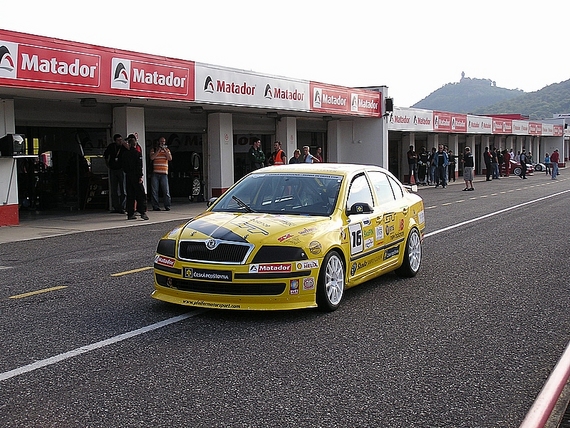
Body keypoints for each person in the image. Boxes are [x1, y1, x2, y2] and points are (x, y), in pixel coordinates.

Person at [122, 134, 149, 220]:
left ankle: (130, 213)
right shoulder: (137, 154)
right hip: (136, 176)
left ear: (129, 144)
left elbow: (123, 166)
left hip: (128, 176)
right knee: (141, 195)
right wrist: (140, 176)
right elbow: (139, 166)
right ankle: (142, 212)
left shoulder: (125, 154)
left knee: (130, 195)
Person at [103, 133, 126, 213]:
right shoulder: (111, 147)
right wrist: (108, 165)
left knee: (123, 189)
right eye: (118, 140)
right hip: (113, 169)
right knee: (114, 189)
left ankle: (122, 206)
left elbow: (130, 151)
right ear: (115, 141)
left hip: (121, 169)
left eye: (121, 140)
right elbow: (105, 155)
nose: (120, 141)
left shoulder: (123, 147)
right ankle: (116, 207)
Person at [149, 136, 172, 211]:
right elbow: (152, 157)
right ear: (158, 142)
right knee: (154, 190)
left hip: (164, 173)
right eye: (161, 141)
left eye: (164, 142)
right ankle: (155, 206)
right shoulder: (154, 149)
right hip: (155, 173)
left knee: (166, 191)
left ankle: (167, 205)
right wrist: (158, 150)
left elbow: (170, 158)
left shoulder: (167, 150)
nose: (162, 143)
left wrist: (165, 151)